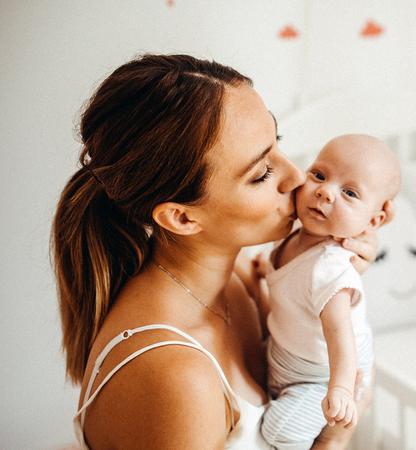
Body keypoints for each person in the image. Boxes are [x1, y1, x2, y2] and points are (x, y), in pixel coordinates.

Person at [52, 54, 390, 449]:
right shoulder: (176, 377)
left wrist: (329, 268)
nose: (296, 176)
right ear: (181, 217)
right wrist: (334, 440)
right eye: (261, 173)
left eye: (276, 143)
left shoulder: (244, 279)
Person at [258, 135, 400, 449]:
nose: (324, 191)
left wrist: (340, 389)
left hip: (324, 374)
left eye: (349, 192)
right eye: (319, 175)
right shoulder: (292, 232)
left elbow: (340, 334)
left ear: (373, 221)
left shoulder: (329, 267)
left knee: (279, 432)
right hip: (290, 355)